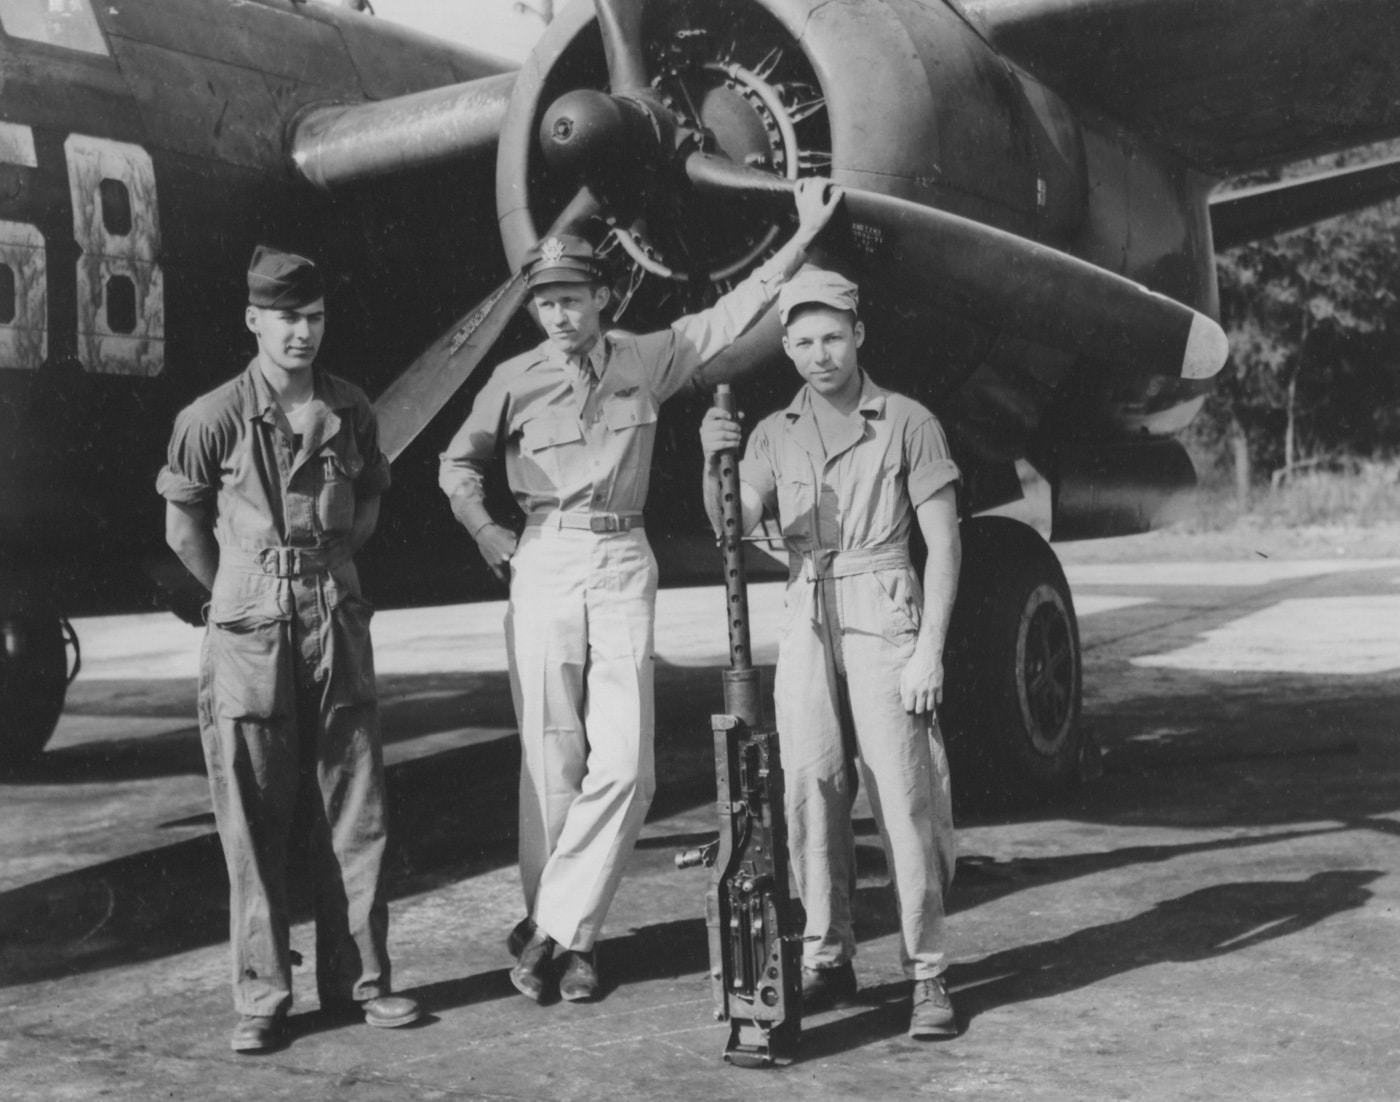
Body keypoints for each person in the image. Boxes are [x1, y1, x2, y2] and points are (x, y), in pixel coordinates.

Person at [438, 179, 841, 1004]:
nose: (557, 314)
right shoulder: (513, 379)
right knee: (550, 762)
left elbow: (737, 311)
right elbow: (457, 463)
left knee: (627, 766)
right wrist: (492, 538)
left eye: (572, 298)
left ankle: (547, 928)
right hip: (545, 560)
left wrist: (800, 236)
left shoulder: (644, 360)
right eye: (545, 301)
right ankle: (575, 944)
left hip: (623, 560)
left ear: (602, 297)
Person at [158, 246, 420, 1053]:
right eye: (285, 319)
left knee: (356, 807)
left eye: (313, 318)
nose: (301, 333)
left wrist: (325, 571)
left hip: (334, 622)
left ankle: (364, 982)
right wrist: (241, 594)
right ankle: (263, 997)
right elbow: (183, 529)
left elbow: (368, 507)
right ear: (254, 321)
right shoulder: (211, 418)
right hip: (249, 633)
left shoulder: (352, 409)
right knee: (254, 815)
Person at [697, 268, 962, 1039]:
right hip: (805, 610)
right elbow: (735, 521)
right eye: (804, 341)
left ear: (859, 335)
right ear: (785, 346)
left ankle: (928, 974)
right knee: (810, 788)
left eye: (833, 338)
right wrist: (714, 460)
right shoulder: (773, 434)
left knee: (903, 798)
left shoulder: (910, 421)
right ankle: (828, 955)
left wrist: (930, 652)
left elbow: (942, 546)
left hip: (885, 609)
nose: (820, 355)